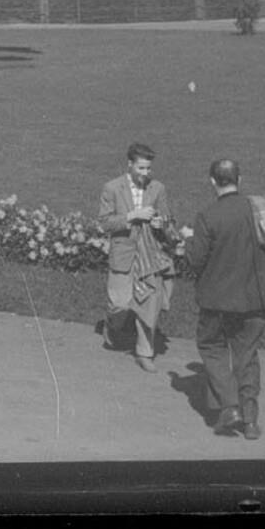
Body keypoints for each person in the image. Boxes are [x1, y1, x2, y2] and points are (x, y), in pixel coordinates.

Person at [182, 156, 265, 440]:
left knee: (211, 346)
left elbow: (195, 261)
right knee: (247, 356)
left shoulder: (208, 216)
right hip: (255, 298)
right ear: (240, 179)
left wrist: (189, 238)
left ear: (212, 181)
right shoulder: (257, 209)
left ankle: (230, 406)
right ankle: (250, 420)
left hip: (218, 300)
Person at [96, 142, 174, 368]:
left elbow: (168, 220)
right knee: (119, 305)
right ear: (129, 164)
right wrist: (132, 216)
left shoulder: (157, 188)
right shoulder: (112, 188)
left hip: (150, 254)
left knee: (149, 306)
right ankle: (112, 325)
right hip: (124, 253)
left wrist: (161, 223)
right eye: (141, 168)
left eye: (148, 168)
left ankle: (145, 353)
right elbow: (104, 223)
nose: (145, 173)